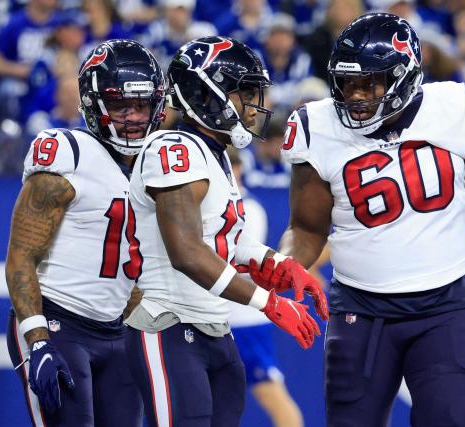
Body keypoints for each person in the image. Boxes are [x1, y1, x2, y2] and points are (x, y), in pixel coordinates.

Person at [275, 13, 465, 427]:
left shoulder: (455, 110)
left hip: (445, 307)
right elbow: (306, 228)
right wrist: (286, 266)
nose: (355, 96)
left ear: (404, 75)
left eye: (368, 83)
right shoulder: (315, 126)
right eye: (347, 83)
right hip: (360, 308)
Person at [124, 36, 327, 427]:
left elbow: (226, 238)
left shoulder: (213, 153)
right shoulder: (173, 148)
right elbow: (187, 251)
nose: (255, 105)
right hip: (169, 323)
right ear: (205, 93)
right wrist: (267, 301)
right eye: (245, 92)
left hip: (215, 327)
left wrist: (280, 265)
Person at [4, 39, 166, 426]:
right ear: (95, 105)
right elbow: (21, 257)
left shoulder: (155, 164)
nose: (132, 117)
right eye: (120, 105)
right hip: (59, 320)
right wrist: (37, 338)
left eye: (141, 105)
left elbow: (124, 263)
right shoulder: (69, 152)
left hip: (117, 331)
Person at [226, 148, 304, 427]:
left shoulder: (250, 209)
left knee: (272, 394)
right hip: (216, 319)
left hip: (243, 320)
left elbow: (237, 262)